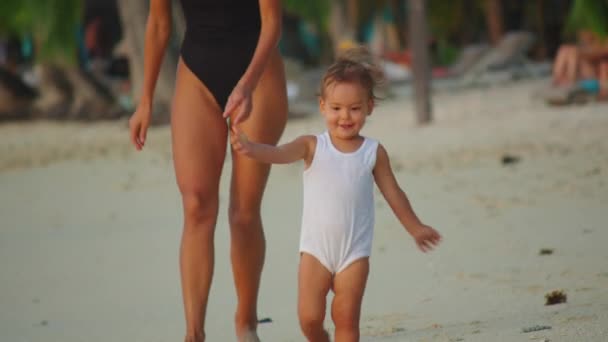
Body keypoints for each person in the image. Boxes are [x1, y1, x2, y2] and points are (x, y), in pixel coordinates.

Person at [231, 47, 442, 341]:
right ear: (322, 106)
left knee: (346, 319)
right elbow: (278, 153)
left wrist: (415, 227)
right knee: (309, 318)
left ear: (370, 107)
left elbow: (394, 194)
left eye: (355, 108)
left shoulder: (373, 152)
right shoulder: (312, 146)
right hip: (316, 251)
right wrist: (252, 148)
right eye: (336, 108)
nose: (345, 116)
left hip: (354, 252)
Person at [127, 0, 287, 341]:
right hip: (197, 72)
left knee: (243, 210)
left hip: (258, 70)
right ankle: (193, 333)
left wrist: (246, 85)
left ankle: (246, 325)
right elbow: (158, 24)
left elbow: (272, 23)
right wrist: (145, 100)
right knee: (197, 205)